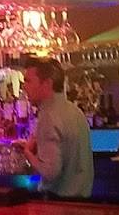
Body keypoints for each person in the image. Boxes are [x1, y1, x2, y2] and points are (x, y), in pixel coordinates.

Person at [20, 57, 94, 198]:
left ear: (47, 84)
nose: (24, 87)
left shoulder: (48, 116)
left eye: (28, 81)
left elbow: (50, 172)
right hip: (82, 201)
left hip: (58, 202)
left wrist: (27, 152)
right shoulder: (75, 111)